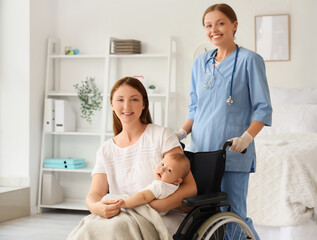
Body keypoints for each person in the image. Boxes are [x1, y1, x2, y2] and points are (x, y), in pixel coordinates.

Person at [176, 3, 272, 240]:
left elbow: (263, 108)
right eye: (208, 25)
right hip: (202, 150)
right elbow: (195, 107)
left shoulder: (251, 60)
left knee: (234, 213)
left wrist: (247, 137)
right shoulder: (200, 63)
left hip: (232, 149)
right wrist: (181, 132)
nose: (214, 29)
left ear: (234, 25)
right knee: (207, 213)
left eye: (220, 23)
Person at [85, 76, 197, 234]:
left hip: (162, 216)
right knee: (90, 225)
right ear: (112, 104)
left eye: (134, 99)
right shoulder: (106, 150)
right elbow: (95, 193)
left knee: (116, 228)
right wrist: (96, 207)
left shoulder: (161, 135)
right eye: (120, 100)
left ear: (144, 104)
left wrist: (152, 206)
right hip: (123, 214)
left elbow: (190, 188)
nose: (126, 106)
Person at [117, 152, 190, 214]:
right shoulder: (174, 186)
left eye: (169, 170)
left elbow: (144, 196)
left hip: (147, 212)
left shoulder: (160, 185)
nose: (162, 169)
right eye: (162, 164)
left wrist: (125, 203)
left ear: (177, 181)